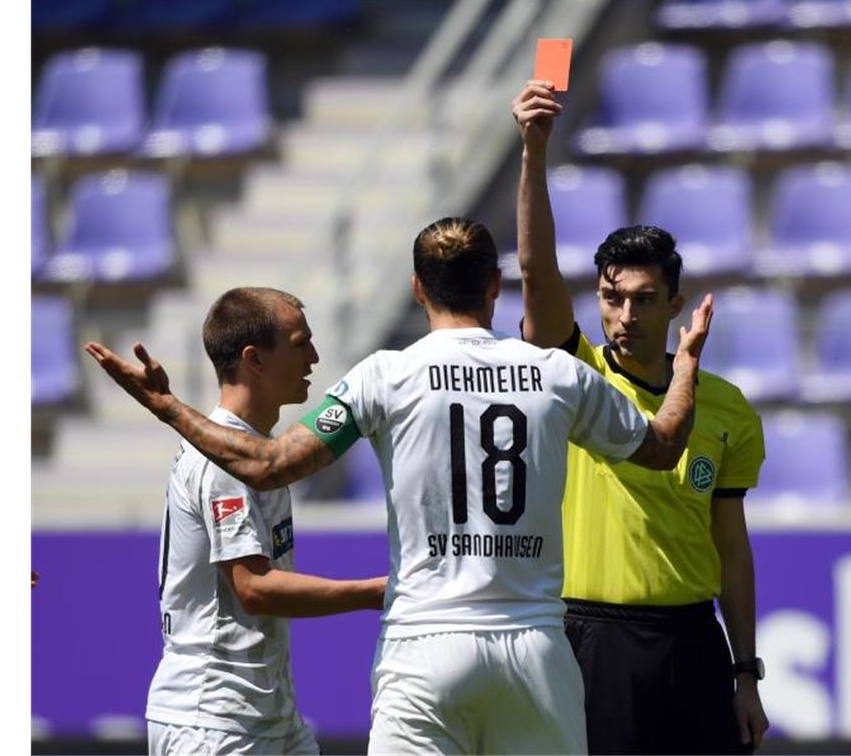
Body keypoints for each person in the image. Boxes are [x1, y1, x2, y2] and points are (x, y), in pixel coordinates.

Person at [85, 218, 715, 754]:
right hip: (535, 648)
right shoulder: (554, 371)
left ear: (417, 289)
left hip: (424, 646)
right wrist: (684, 366)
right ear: (496, 286)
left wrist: (167, 407)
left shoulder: (384, 376)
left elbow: (268, 463)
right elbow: (662, 447)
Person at [511, 80, 770, 754]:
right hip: (593, 637)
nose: (625, 315)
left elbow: (731, 547)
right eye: (611, 297)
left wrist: (745, 671)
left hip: (693, 640)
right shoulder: (575, 377)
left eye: (643, 298)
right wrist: (533, 153)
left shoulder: (726, 409)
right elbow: (537, 272)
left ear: (675, 302)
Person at [137, 287, 387, 755]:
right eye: (299, 343)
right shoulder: (222, 461)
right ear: (254, 359)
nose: (314, 356)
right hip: (213, 720)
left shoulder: (251, 449)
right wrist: (376, 591)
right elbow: (254, 589)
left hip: (267, 715)